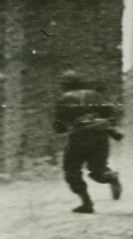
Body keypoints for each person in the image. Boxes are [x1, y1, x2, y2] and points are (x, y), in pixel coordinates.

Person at [52, 71, 122, 214]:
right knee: (98, 170)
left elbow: (59, 126)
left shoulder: (63, 99)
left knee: (71, 170)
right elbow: (109, 111)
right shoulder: (94, 94)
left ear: (64, 85)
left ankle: (86, 203)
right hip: (101, 135)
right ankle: (111, 177)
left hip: (79, 137)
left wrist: (64, 127)